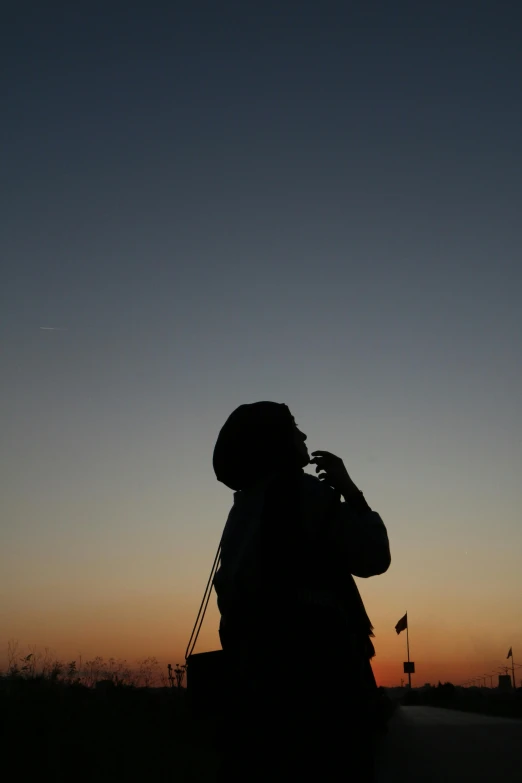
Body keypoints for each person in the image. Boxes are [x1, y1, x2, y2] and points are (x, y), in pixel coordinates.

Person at [212, 401, 391, 782]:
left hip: (262, 699)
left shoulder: (241, 512)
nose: (304, 435)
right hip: (325, 700)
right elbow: (374, 556)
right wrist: (350, 491)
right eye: (294, 427)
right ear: (276, 442)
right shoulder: (306, 495)